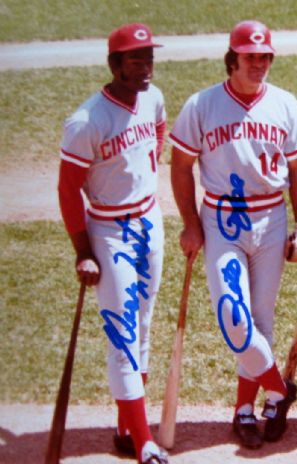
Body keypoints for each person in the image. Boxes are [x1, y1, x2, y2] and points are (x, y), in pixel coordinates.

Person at [169, 20, 297, 450]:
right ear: (232, 59)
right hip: (221, 220)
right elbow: (180, 167)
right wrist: (191, 224)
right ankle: (280, 389)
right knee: (235, 316)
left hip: (271, 219)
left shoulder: (285, 104)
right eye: (251, 57)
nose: (259, 64)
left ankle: (246, 410)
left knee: (261, 320)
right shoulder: (202, 105)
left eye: (265, 57)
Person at [58, 23, 169, 463]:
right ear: (114, 64)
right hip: (108, 230)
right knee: (122, 334)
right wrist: (84, 251)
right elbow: (68, 191)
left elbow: (158, 133)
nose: (145, 66)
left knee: (142, 325)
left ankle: (127, 425)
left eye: (148, 57)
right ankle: (144, 442)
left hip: (149, 221)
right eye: (135, 59)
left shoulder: (154, 97)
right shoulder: (87, 121)